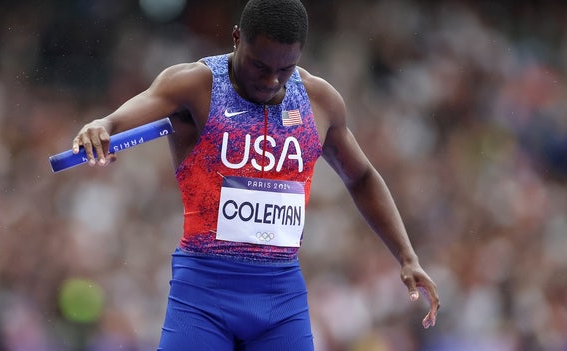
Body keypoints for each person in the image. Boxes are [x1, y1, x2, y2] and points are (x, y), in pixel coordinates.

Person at [71, 0, 440, 349]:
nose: (271, 81)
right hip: (202, 294)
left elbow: (361, 177)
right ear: (236, 38)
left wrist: (407, 256)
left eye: (285, 68)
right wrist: (103, 125)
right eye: (260, 66)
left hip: (281, 301)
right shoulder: (195, 85)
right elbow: (122, 117)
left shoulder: (319, 102)